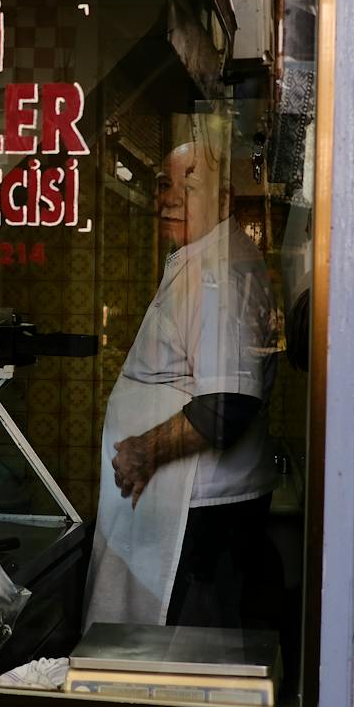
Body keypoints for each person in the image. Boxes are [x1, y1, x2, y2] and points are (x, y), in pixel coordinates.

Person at [84, 120, 285, 636]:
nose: (169, 199)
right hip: (195, 506)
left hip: (199, 517)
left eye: (188, 186)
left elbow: (227, 405)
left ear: (223, 201)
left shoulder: (216, 273)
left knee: (183, 653)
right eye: (165, 185)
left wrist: (143, 450)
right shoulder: (204, 258)